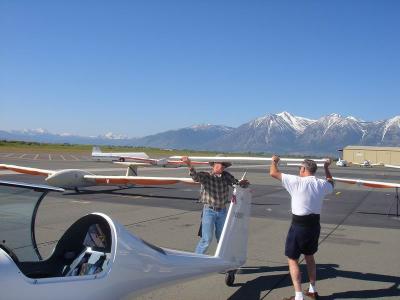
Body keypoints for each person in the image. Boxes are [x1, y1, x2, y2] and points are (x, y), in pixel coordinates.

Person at [270, 155, 333, 300]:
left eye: (300, 168)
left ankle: (299, 296)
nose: (299, 170)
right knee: (309, 257)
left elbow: (273, 172)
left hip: (299, 226)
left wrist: (274, 161)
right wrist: (326, 168)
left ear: (304, 169)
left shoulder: (296, 181)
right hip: (314, 226)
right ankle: (312, 289)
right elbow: (331, 182)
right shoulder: (321, 184)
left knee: (292, 259)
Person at [182, 155, 249, 254]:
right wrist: (189, 164)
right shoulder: (207, 176)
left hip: (222, 211)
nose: (222, 166)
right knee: (206, 239)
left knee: (222, 238)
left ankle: (223, 260)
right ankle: (196, 259)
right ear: (214, 164)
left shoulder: (226, 176)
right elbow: (195, 177)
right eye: (220, 164)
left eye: (224, 165)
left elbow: (236, 183)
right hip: (209, 211)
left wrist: (243, 183)